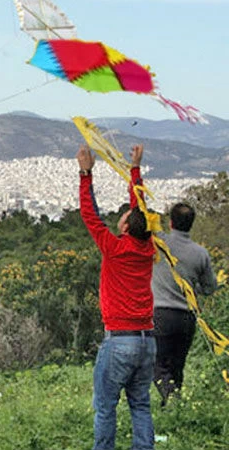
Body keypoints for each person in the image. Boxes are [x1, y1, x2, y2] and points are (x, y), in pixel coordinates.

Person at [78, 144, 157, 450]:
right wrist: (134, 168)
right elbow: (139, 209)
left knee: (106, 405)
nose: (123, 216)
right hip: (147, 338)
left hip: (121, 339)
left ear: (125, 228)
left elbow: (90, 215)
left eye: (124, 217)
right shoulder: (148, 250)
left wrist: (86, 174)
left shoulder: (116, 249)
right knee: (140, 405)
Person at [152, 203, 219, 405]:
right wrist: (191, 289)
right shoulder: (200, 253)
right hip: (187, 317)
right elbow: (210, 287)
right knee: (176, 366)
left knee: (157, 365)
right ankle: (174, 408)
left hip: (161, 314)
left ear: (171, 222)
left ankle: (171, 400)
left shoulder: (160, 243)